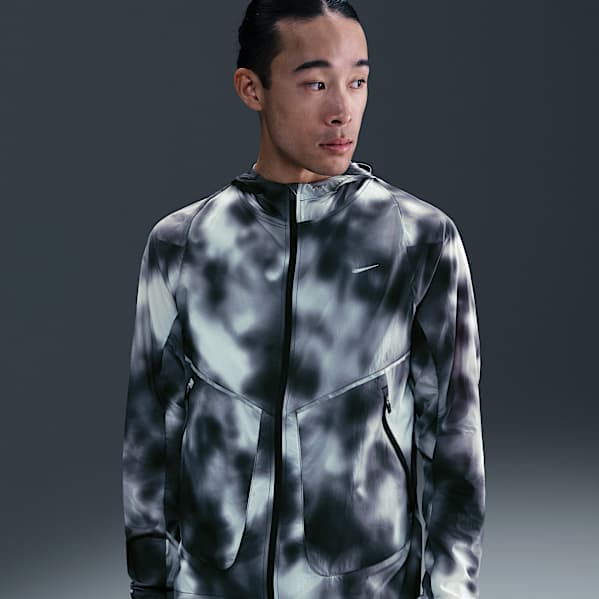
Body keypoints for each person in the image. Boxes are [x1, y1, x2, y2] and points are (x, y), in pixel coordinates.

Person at [121, 1, 486, 598]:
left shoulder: (420, 239)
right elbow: (151, 434)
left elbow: (454, 439)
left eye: (357, 81)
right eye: (316, 83)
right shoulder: (183, 243)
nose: (342, 109)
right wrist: (149, 587)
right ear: (252, 88)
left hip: (365, 585)